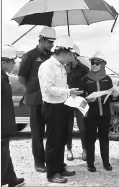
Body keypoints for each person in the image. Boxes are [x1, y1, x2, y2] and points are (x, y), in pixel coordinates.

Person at [38, 35, 82, 183]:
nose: (71, 57)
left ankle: (59, 167)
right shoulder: (47, 66)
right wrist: (68, 92)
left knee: (62, 139)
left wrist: (69, 92)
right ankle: (52, 173)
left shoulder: (61, 67)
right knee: (53, 141)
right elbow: (48, 89)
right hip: (52, 107)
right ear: (62, 53)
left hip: (63, 106)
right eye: (70, 54)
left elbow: (61, 87)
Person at [17, 27, 56, 173]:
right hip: (36, 101)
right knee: (37, 133)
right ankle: (39, 162)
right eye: (50, 42)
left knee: (52, 132)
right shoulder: (30, 56)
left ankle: (51, 160)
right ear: (42, 39)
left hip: (51, 101)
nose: (52, 44)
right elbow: (21, 79)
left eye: (53, 42)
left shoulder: (53, 57)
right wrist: (32, 89)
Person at [80, 51, 117, 172]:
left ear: (103, 64)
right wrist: (86, 99)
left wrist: (115, 95)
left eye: (97, 63)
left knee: (104, 139)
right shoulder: (85, 80)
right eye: (92, 62)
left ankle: (106, 162)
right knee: (90, 140)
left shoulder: (107, 79)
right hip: (90, 116)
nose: (94, 65)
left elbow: (111, 98)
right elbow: (79, 99)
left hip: (104, 115)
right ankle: (90, 164)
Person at [1, 44, 25, 187]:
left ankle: (11, 180)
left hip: (5, 122)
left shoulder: (4, 76)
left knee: (5, 152)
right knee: (2, 155)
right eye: (12, 61)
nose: (15, 64)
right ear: (4, 62)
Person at [65, 44, 89, 161]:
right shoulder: (64, 68)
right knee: (68, 126)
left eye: (71, 54)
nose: (69, 57)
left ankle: (85, 149)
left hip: (80, 100)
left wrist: (84, 94)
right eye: (67, 54)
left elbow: (88, 84)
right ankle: (68, 149)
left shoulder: (84, 69)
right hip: (68, 100)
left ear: (75, 55)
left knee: (82, 126)